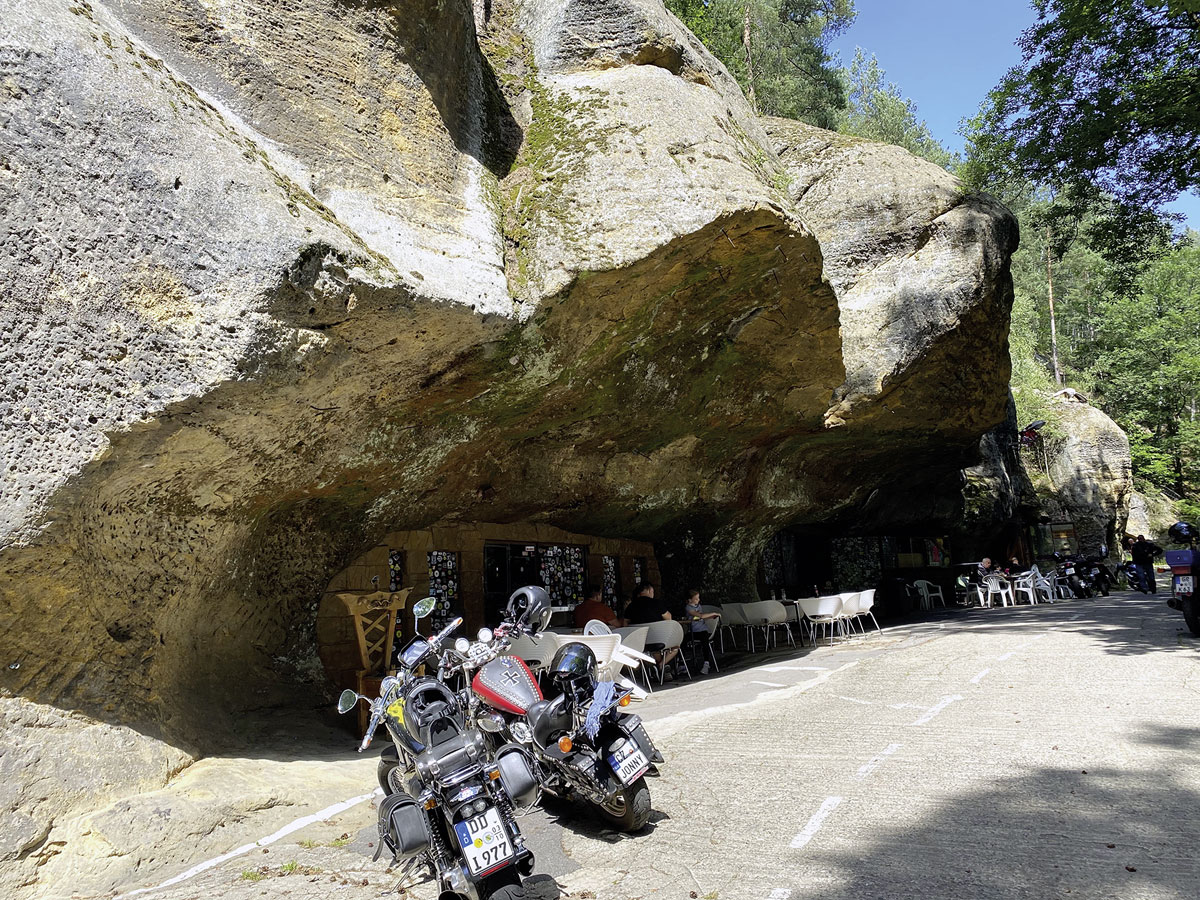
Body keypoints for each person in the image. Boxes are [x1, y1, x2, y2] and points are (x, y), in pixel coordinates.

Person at [624, 583, 679, 674]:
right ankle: (661, 666)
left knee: (654, 649)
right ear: (649, 591)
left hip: (639, 642)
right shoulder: (656, 603)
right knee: (675, 647)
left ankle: (658, 668)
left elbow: (625, 623)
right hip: (659, 639)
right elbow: (669, 618)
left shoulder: (631, 606)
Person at [682, 588, 718, 674]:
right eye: (696, 599)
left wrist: (709, 616)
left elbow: (699, 616)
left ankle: (706, 663)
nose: (698, 600)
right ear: (690, 600)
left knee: (705, 641)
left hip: (702, 630)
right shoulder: (688, 607)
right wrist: (713, 613)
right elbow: (699, 616)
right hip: (692, 631)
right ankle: (681, 664)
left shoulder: (699, 606)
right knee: (682, 641)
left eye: (698, 598)